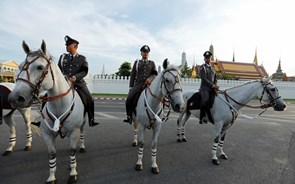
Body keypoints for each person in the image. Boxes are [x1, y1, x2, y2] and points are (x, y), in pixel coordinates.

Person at [57, 35, 99, 127]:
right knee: (47, 95)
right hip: (64, 83)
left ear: (75, 46)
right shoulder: (63, 57)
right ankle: (42, 119)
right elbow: (58, 70)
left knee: (89, 98)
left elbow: (85, 71)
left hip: (78, 83)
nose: (66, 47)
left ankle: (91, 119)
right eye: (66, 45)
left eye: (68, 45)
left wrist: (75, 77)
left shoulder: (82, 58)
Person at [123, 45, 158, 124]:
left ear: (148, 54)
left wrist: (150, 79)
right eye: (144, 52)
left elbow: (155, 74)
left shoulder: (152, 63)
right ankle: (129, 116)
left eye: (147, 52)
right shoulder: (137, 62)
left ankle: (159, 114)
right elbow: (133, 75)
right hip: (138, 84)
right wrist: (131, 87)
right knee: (129, 99)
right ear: (141, 53)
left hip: (149, 85)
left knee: (158, 97)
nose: (145, 53)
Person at [199, 51, 219, 124]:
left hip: (212, 88)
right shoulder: (202, 67)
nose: (207, 59)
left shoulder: (213, 68)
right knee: (205, 100)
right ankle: (202, 117)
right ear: (204, 59)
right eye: (206, 58)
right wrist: (213, 85)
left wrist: (215, 86)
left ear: (211, 59)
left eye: (209, 58)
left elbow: (216, 78)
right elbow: (204, 79)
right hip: (205, 89)